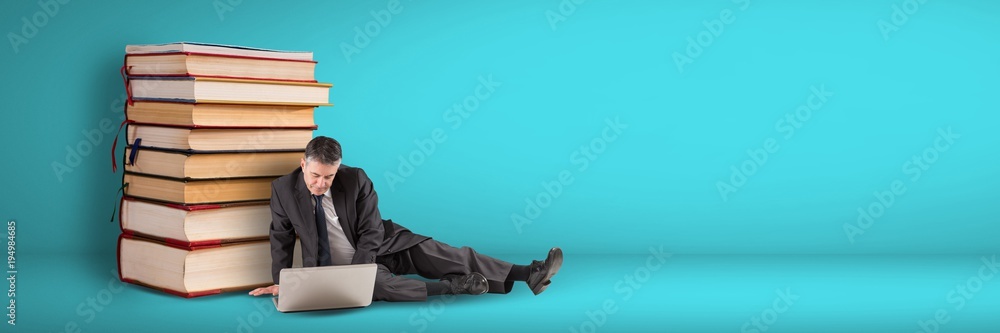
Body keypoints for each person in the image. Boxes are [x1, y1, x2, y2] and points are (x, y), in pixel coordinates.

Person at [249, 136, 562, 301]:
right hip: (334, 271)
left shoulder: (356, 179)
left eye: (328, 177)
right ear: (303, 164)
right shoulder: (283, 190)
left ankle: (529, 273)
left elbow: (371, 230)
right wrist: (284, 283)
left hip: (381, 246)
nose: (321, 184)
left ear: (338, 168)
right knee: (380, 288)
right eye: (315, 175)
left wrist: (360, 268)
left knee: (442, 252)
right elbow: (281, 237)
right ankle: (454, 287)